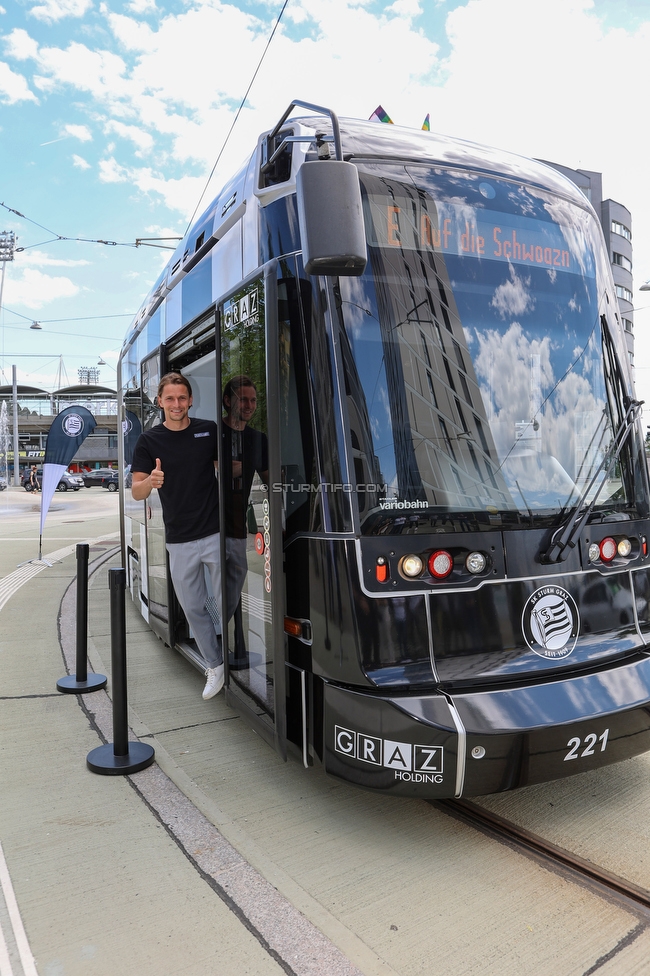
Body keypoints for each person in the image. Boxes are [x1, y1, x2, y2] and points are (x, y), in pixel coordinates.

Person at [130, 371, 224, 700]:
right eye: (169, 398)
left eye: (182, 398)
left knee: (228, 599)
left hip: (215, 532)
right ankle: (215, 664)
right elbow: (136, 492)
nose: (176, 404)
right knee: (193, 607)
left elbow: (226, 468)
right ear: (160, 402)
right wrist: (150, 481)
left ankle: (232, 651)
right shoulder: (149, 441)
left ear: (191, 400)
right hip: (179, 539)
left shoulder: (208, 431)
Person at [221, 375, 268, 652]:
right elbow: (213, 471)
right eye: (244, 400)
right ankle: (214, 634)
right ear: (228, 401)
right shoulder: (214, 434)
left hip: (238, 525)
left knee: (235, 580)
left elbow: (270, 478)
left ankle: (212, 630)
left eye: (253, 400)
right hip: (209, 523)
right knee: (216, 583)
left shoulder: (257, 439)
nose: (250, 405)